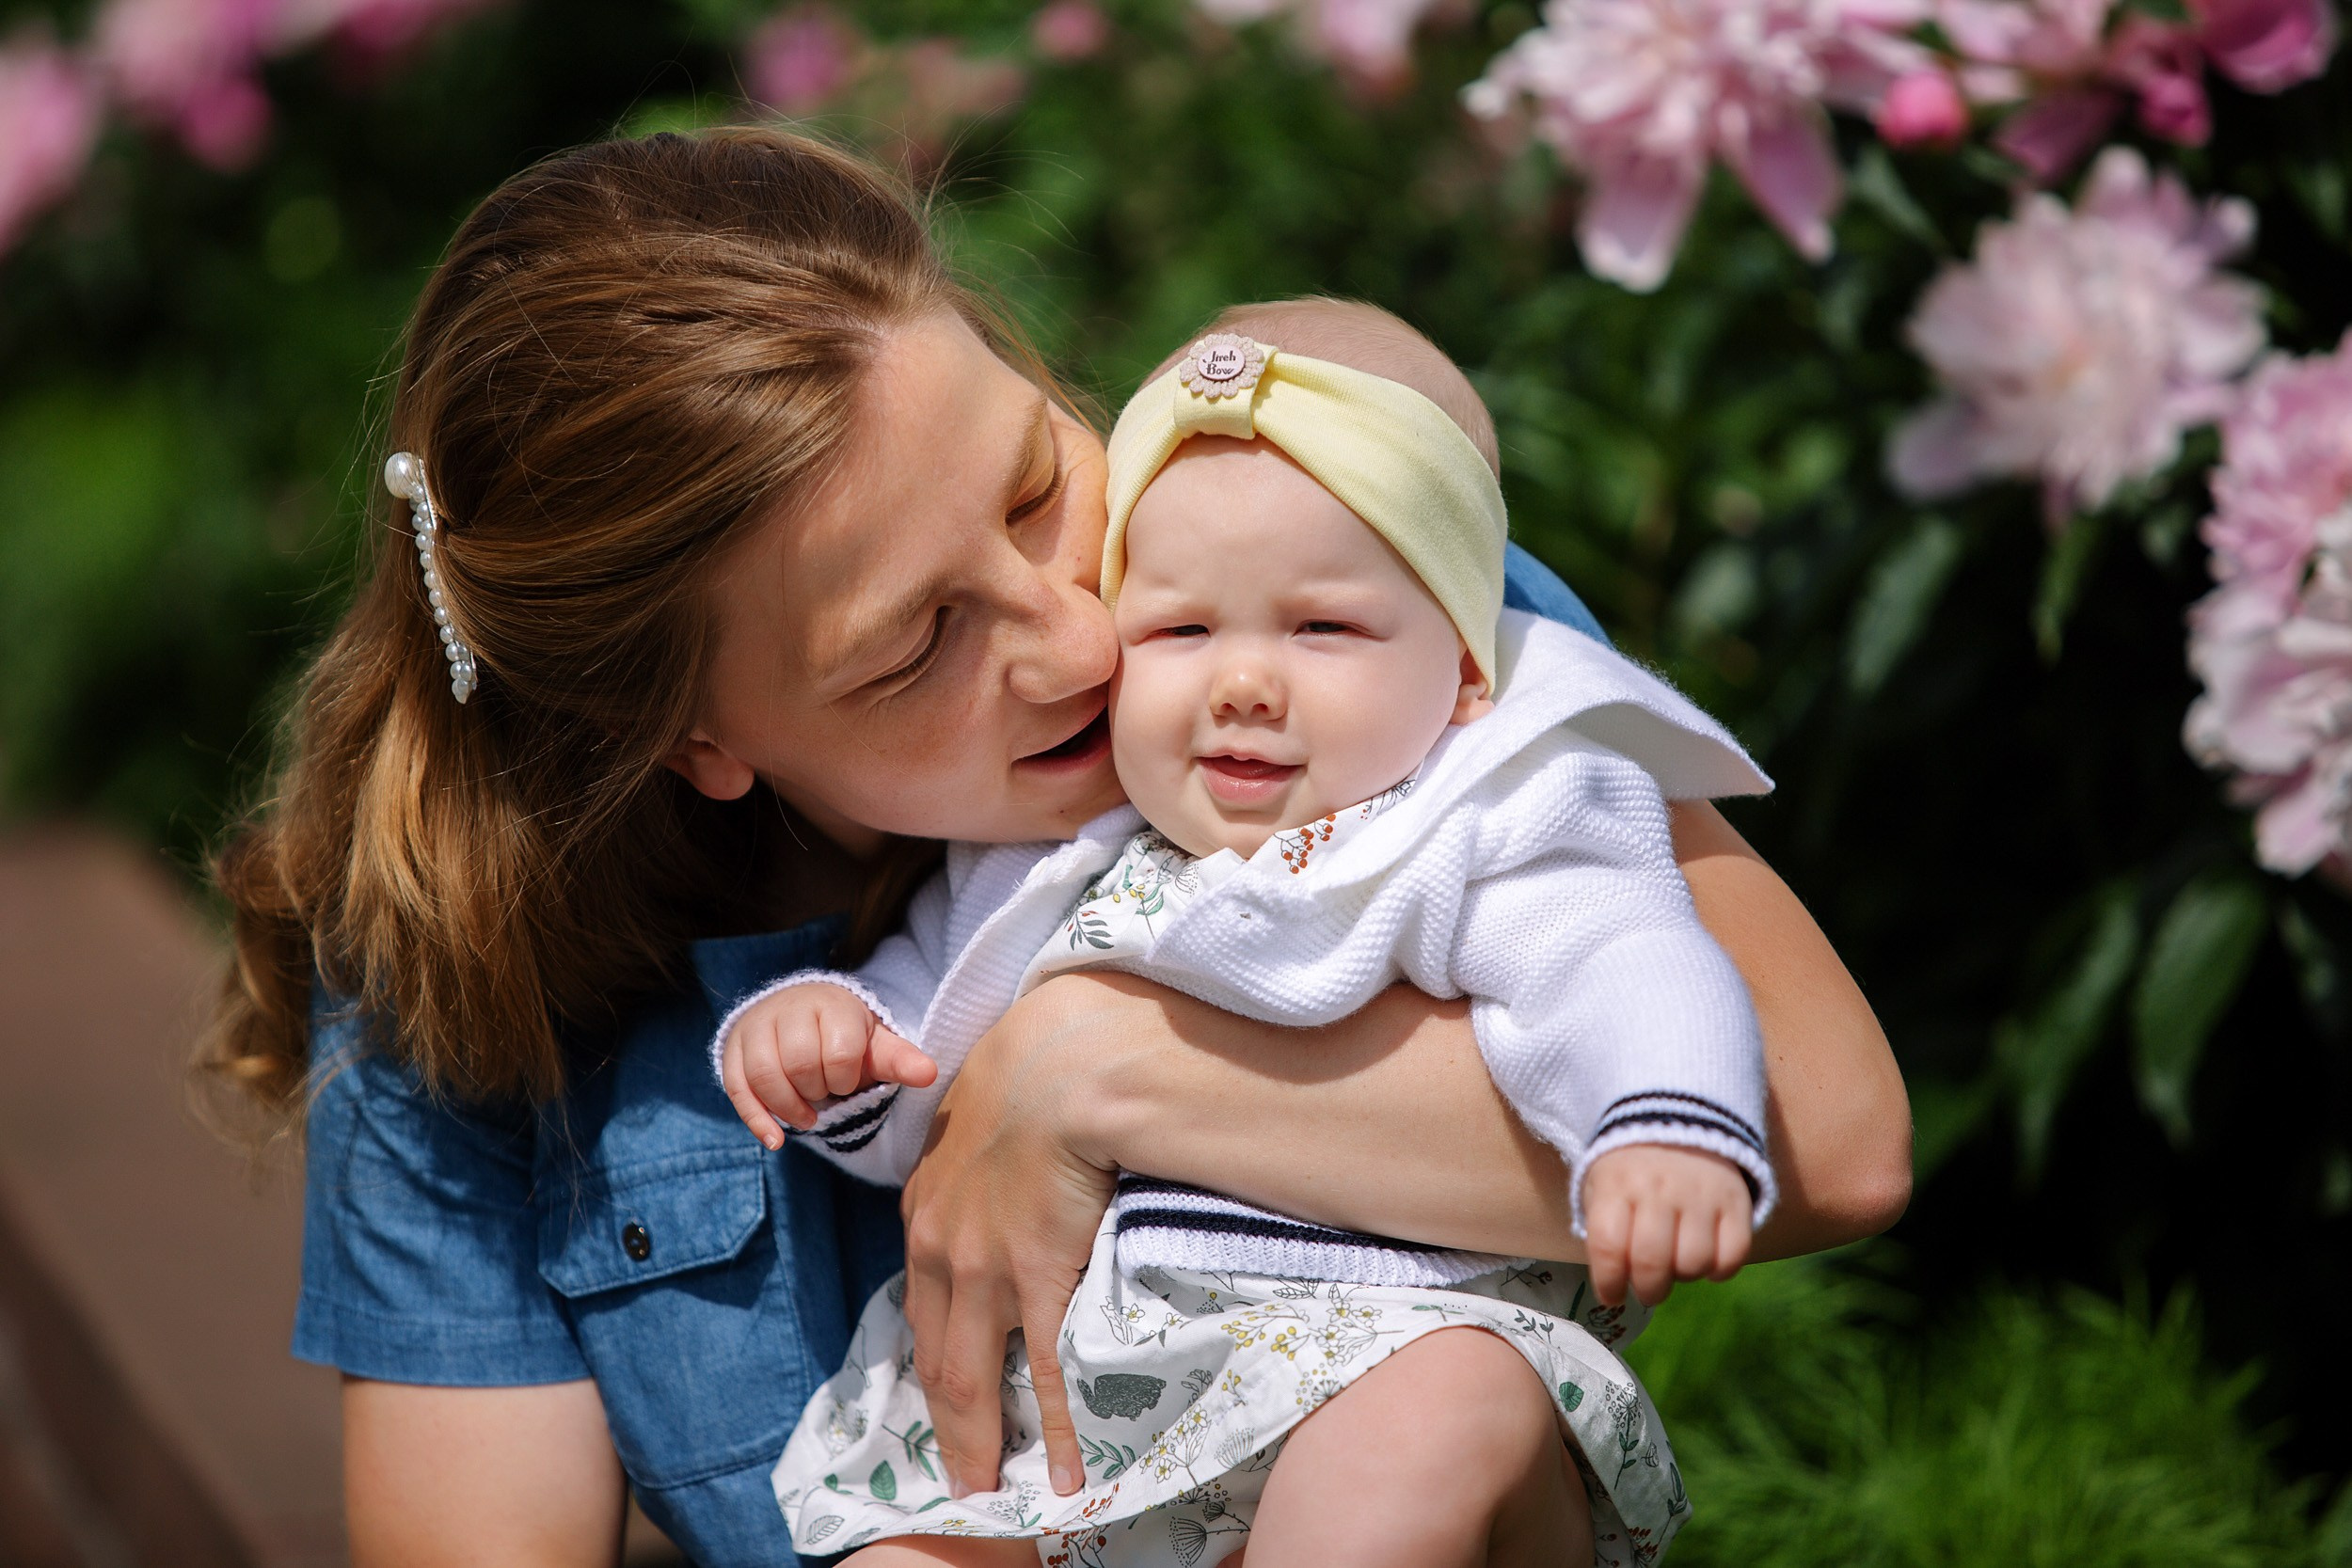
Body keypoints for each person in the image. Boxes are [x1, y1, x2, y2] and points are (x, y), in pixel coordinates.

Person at [200, 128, 1911, 1568]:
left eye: (1033, 485)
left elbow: (1828, 1138)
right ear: (695, 741)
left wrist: (1095, 1070)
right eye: (914, 644)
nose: (1077, 641)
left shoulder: (1336, 603)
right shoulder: (459, 973)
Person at [722, 300, 1773, 1565]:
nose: (1242, 680)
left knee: (1431, 1424)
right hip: (1071, 1428)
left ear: (1469, 670)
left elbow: (1616, 952)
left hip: (1371, 1348)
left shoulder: (1470, 812)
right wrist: (840, 1045)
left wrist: (1662, 1114)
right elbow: (927, 1084)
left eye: (1321, 627)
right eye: (1180, 628)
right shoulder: (1049, 854)